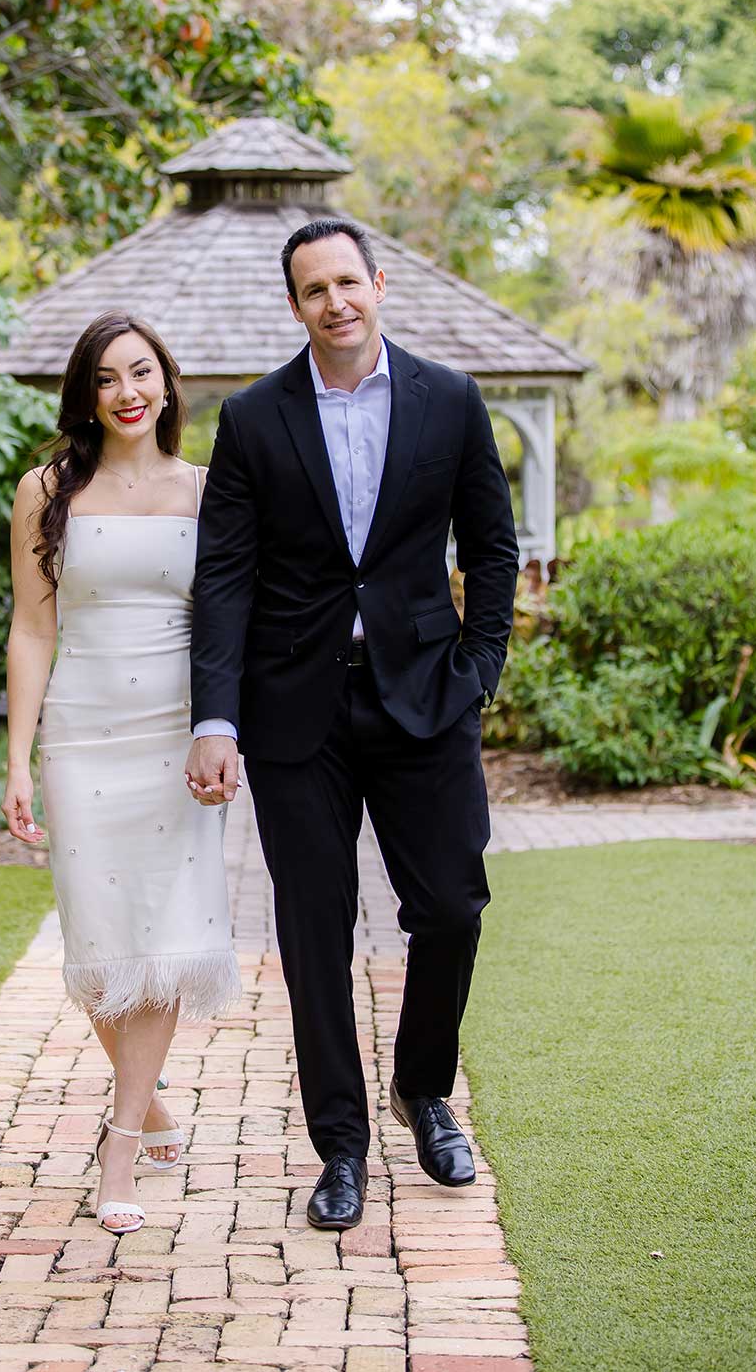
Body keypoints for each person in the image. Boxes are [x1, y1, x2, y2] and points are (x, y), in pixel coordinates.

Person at [185, 217, 519, 1231]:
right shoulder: (251, 420)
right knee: (312, 933)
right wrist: (217, 717)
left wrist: (480, 669)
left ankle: (425, 1091)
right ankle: (341, 1145)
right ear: (295, 305)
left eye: (348, 282)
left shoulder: (450, 400)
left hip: (426, 699)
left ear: (378, 284)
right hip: (298, 713)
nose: (335, 302)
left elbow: (492, 547)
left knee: (453, 906)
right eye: (313, 290)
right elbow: (226, 579)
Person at [3, 310, 241, 1236]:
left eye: (143, 372)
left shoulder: (207, 489)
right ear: (87, 395)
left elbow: (229, 623)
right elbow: (32, 626)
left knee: (168, 935)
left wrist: (224, 730)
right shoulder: (46, 488)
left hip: (173, 736)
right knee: (99, 942)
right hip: (82, 731)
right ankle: (149, 1104)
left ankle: (117, 1142)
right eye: (107, 378)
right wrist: (17, 757)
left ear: (168, 383)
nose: (128, 391)